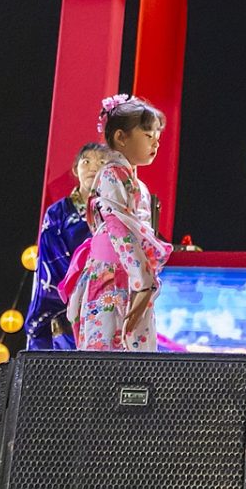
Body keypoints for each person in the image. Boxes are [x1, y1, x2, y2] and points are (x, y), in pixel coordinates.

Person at [60, 96, 171, 350]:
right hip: (113, 275)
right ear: (121, 137)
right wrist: (143, 282)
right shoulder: (112, 174)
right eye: (147, 134)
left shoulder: (135, 183)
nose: (156, 141)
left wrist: (142, 280)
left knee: (127, 356)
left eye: (157, 136)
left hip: (131, 275)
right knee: (108, 354)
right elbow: (119, 231)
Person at [23, 143, 105, 352]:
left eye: (102, 162)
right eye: (86, 161)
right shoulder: (57, 213)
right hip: (65, 304)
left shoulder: (116, 212)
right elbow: (51, 258)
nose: (93, 167)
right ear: (75, 168)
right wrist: (77, 291)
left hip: (107, 302)